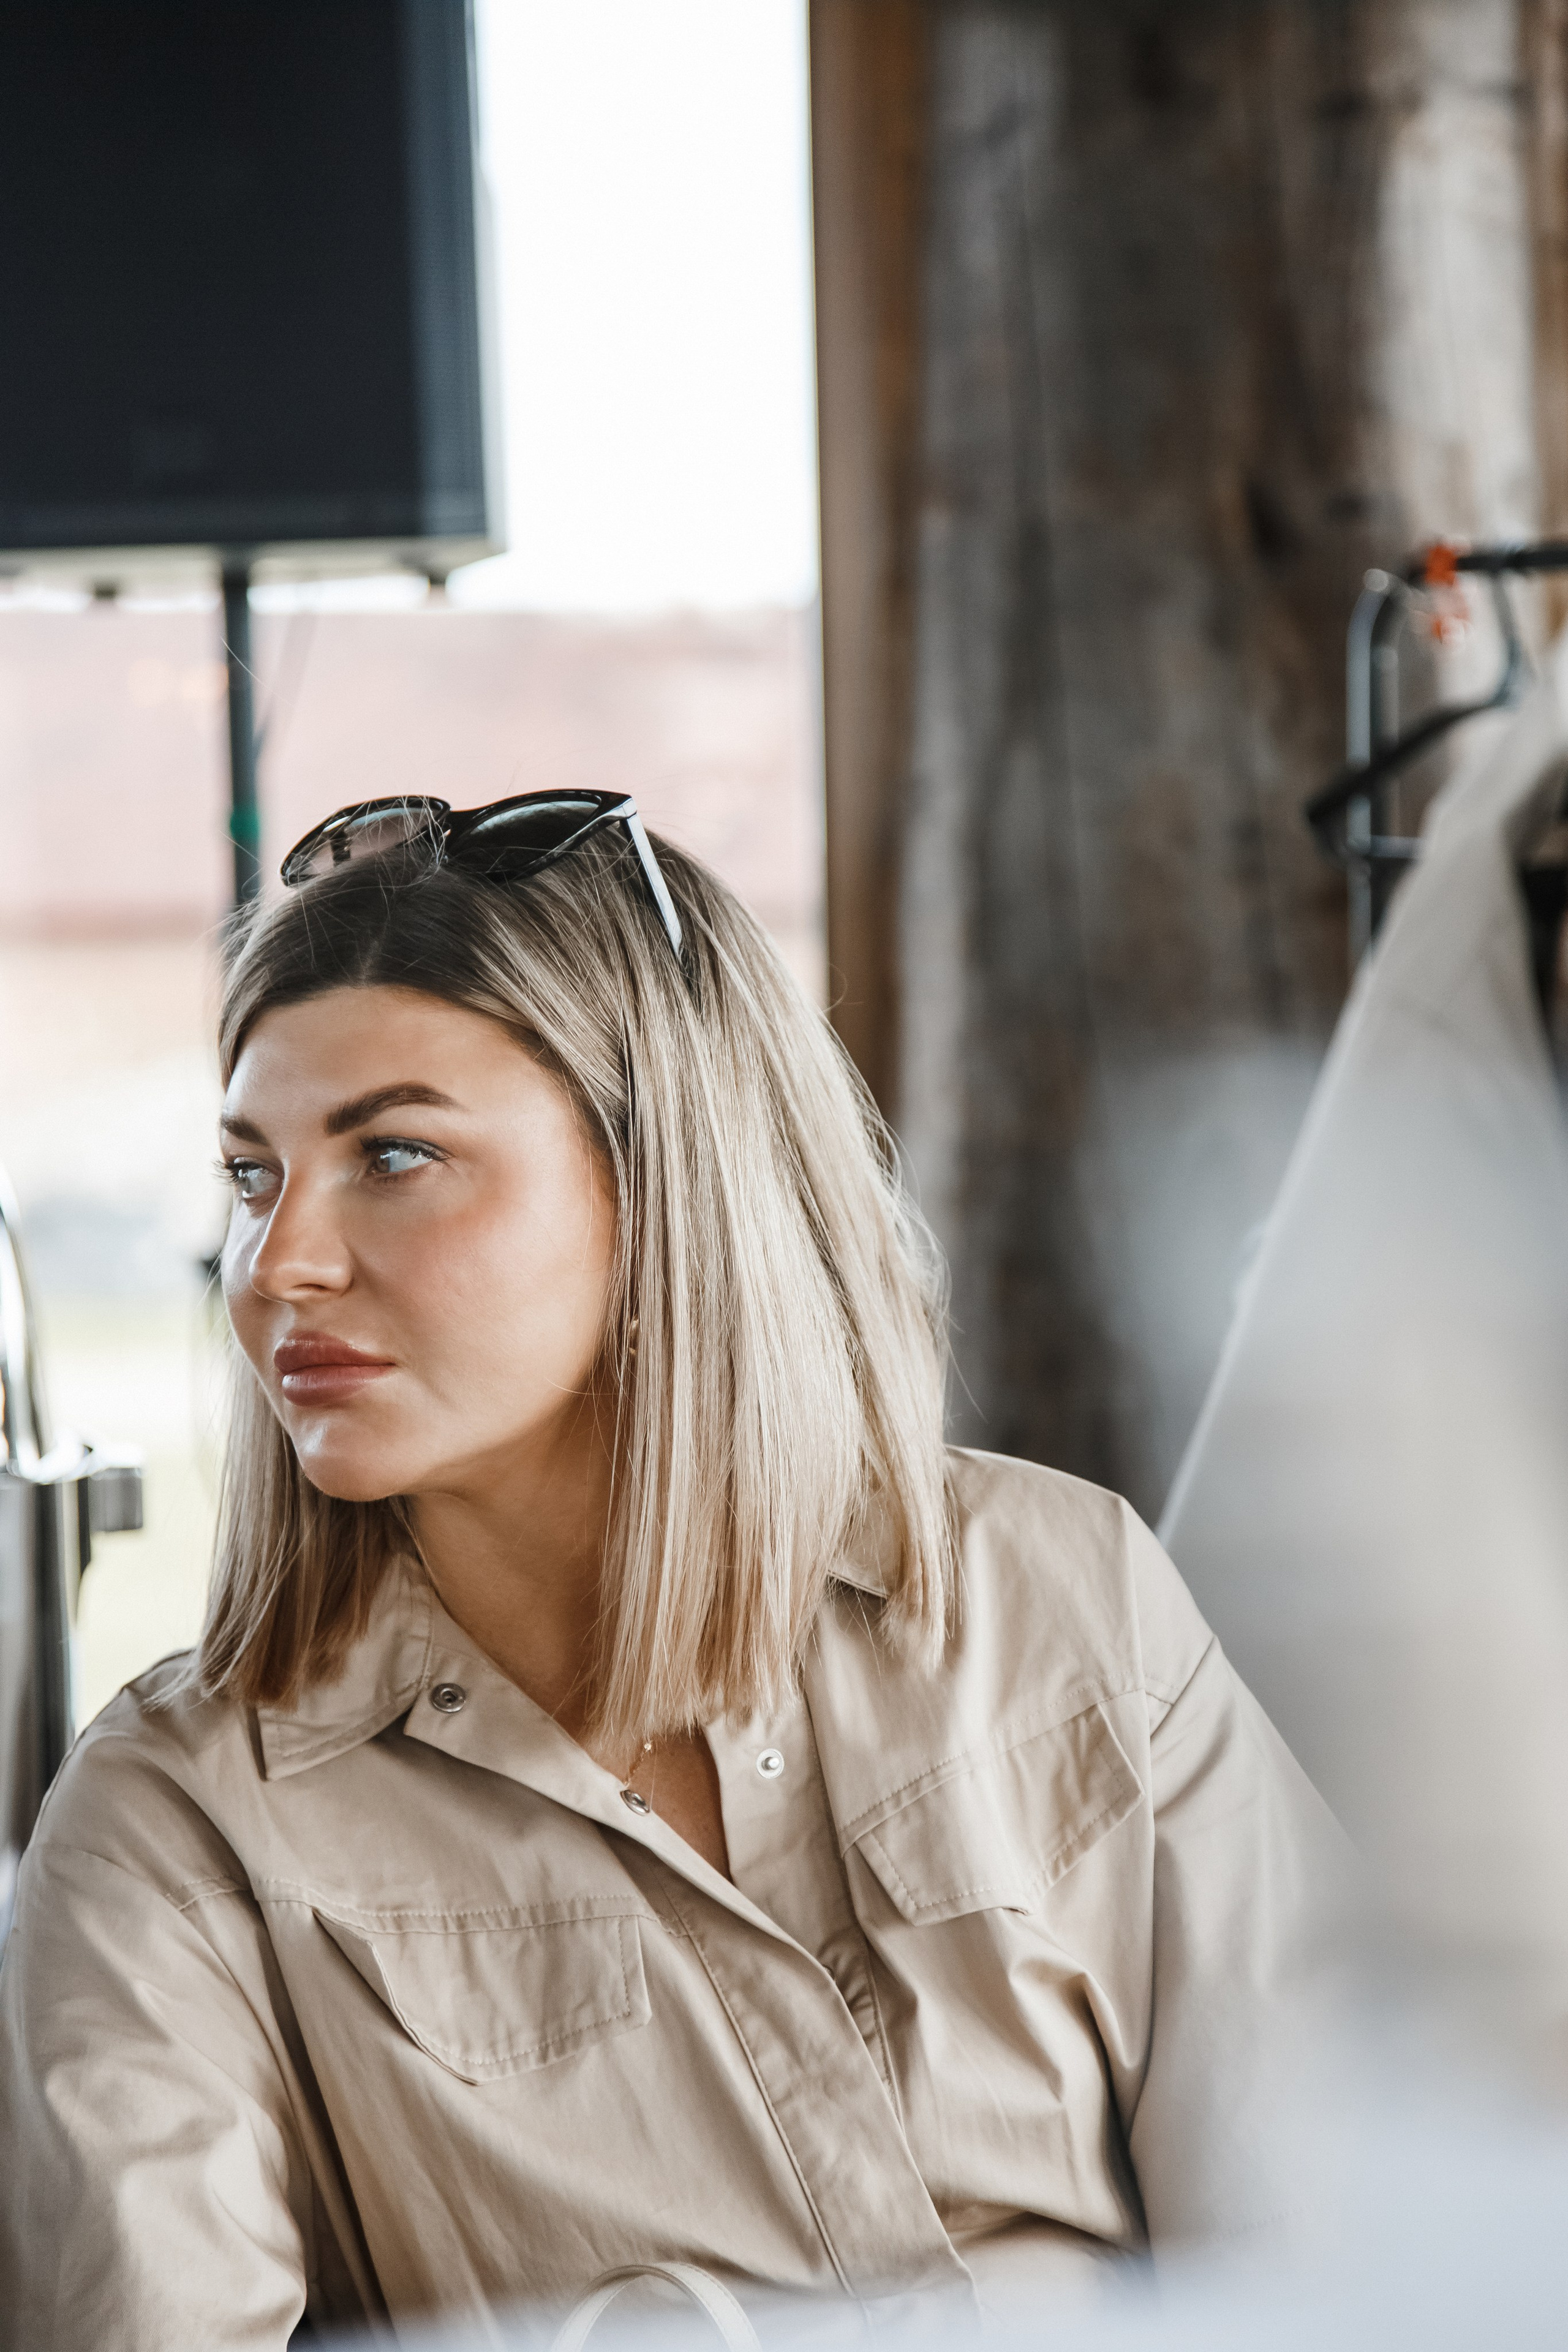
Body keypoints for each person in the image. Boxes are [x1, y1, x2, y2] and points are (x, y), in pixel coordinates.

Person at [0, 794, 1344, 2349]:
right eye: (252, 1175)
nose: (276, 1262)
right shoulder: (175, 1831)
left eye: (394, 1155)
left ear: (661, 1187)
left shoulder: (1059, 1598)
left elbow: (1349, 2257)